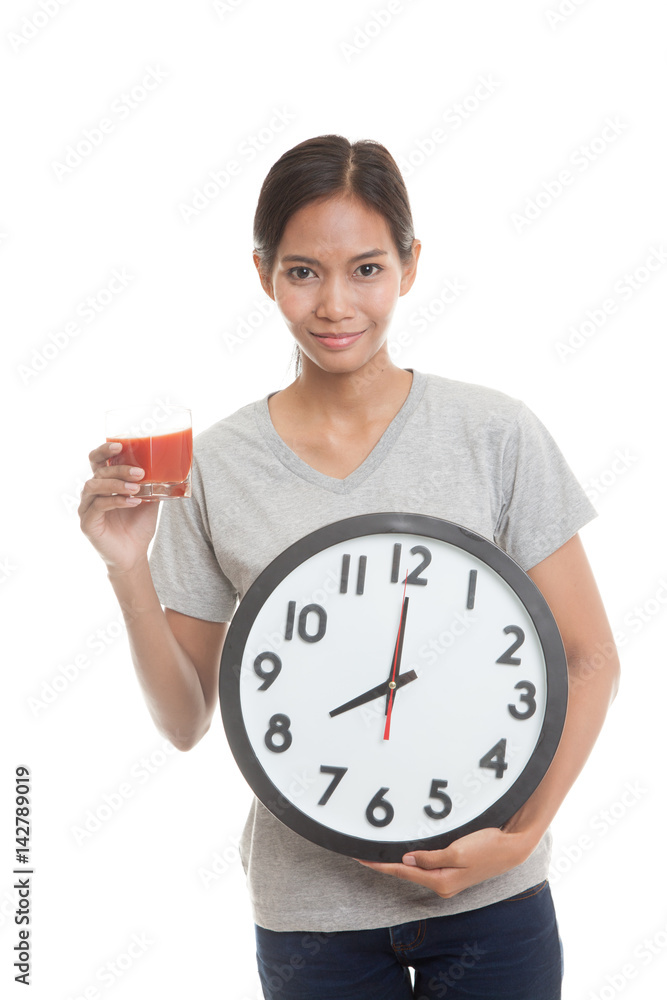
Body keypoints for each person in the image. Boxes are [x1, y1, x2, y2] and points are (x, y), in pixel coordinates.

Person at [79, 134, 620, 999]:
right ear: (263, 274)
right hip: (311, 922)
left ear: (409, 265)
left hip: (493, 900)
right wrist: (126, 569)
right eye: (302, 272)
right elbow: (185, 722)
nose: (335, 304)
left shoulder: (495, 434)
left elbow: (589, 656)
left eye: (365, 268)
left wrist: (521, 837)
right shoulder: (216, 467)